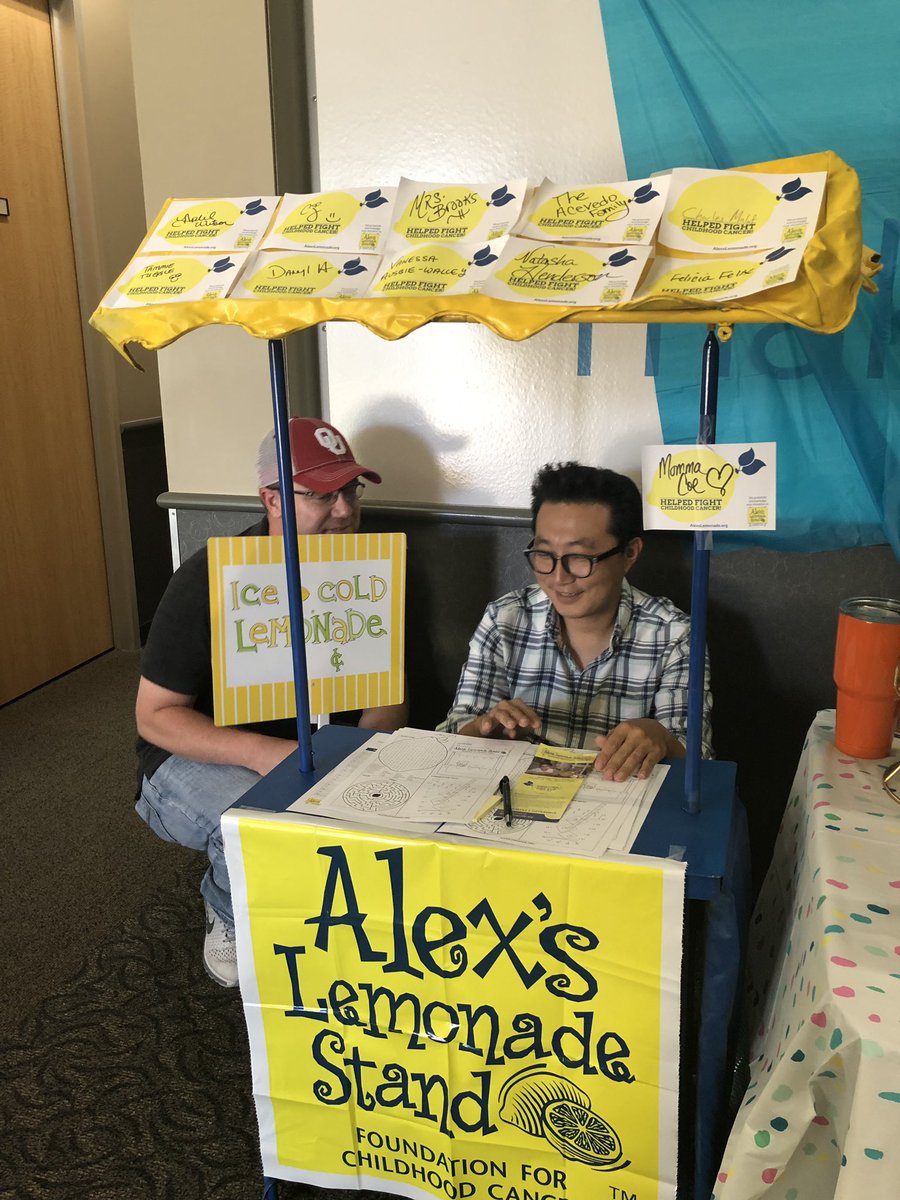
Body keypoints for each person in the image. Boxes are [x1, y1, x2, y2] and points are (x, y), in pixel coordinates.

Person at [135, 417, 407, 987]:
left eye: (350, 491)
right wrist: (264, 755)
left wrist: (362, 765)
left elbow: (387, 702)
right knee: (258, 823)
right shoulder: (208, 579)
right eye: (321, 496)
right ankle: (226, 905)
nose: (343, 510)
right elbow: (155, 717)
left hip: (320, 751)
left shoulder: (368, 572)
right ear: (272, 499)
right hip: (197, 757)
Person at [439, 461, 712, 779]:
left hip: (616, 796)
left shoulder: (674, 635)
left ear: (630, 553)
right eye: (544, 554)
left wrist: (661, 739)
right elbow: (454, 731)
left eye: (580, 557)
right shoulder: (505, 618)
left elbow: (698, 757)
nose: (559, 577)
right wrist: (485, 728)